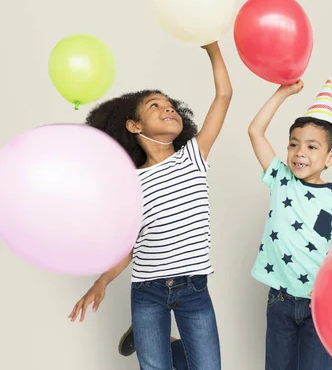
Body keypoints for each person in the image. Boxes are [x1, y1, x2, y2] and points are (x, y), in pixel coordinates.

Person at [67, 42, 232, 370]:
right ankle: (156, 340)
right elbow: (130, 244)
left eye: (171, 106)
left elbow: (224, 95)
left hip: (193, 287)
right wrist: (101, 283)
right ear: (134, 126)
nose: (168, 108)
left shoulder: (193, 157)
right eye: (156, 105)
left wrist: (212, 47)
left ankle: (168, 342)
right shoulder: (129, 182)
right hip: (148, 289)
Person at [248, 79, 332, 370]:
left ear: (330, 157)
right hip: (279, 299)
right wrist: (283, 93)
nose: (299, 152)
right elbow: (255, 131)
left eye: (311, 146)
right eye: (293, 144)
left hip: (320, 303)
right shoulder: (281, 179)